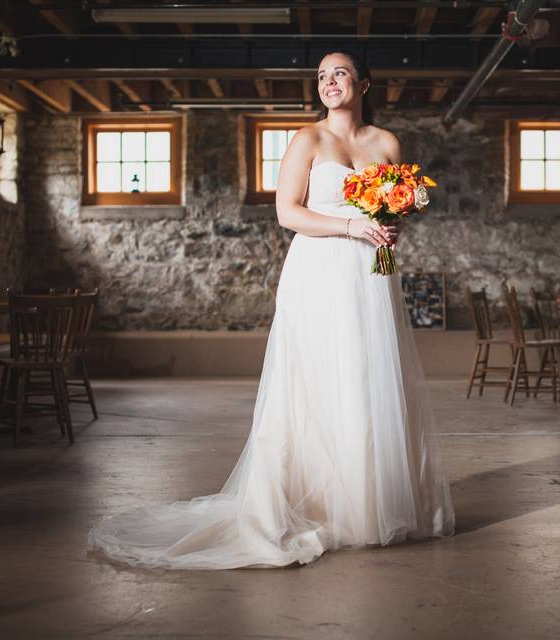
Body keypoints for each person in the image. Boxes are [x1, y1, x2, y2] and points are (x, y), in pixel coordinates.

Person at [88, 50, 455, 570]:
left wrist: (392, 224)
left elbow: (393, 206)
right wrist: (351, 226)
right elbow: (288, 213)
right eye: (322, 76)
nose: (329, 82)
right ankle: (316, 503)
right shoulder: (307, 139)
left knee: (369, 377)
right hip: (319, 269)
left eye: (340, 73)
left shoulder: (386, 143)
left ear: (365, 83)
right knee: (317, 380)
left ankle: (371, 506)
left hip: (372, 272)